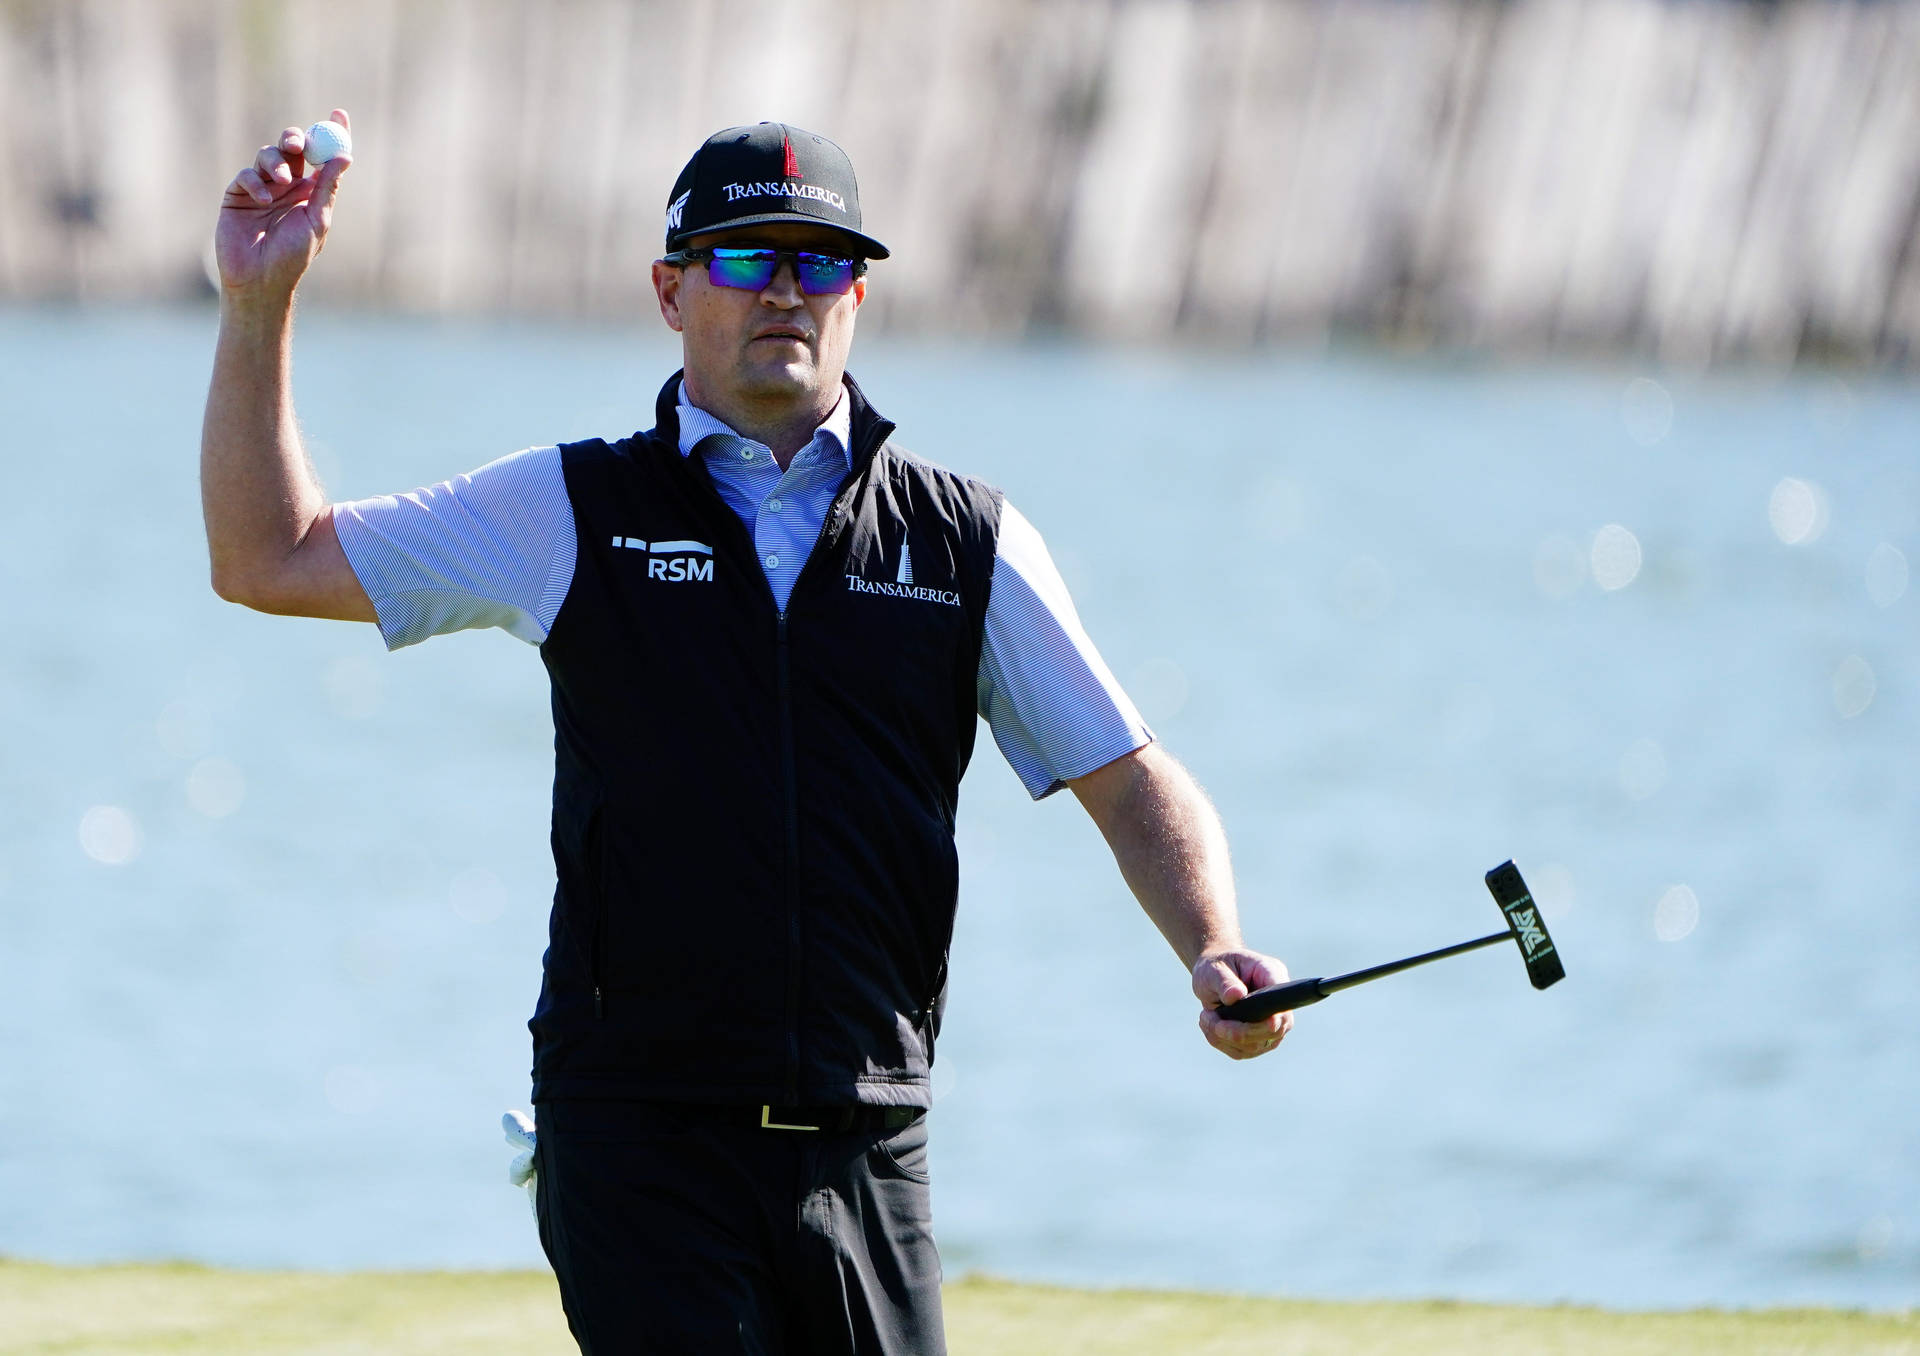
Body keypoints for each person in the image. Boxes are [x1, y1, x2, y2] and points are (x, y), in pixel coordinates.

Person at [203, 111, 1294, 1355]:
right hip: (638, 1131)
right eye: (742, 258)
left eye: (819, 261)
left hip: (869, 1134)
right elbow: (267, 557)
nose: (785, 289)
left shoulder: (964, 538)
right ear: (670, 292)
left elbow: (1128, 774)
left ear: (859, 296)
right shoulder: (570, 508)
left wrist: (1215, 945)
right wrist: (257, 306)